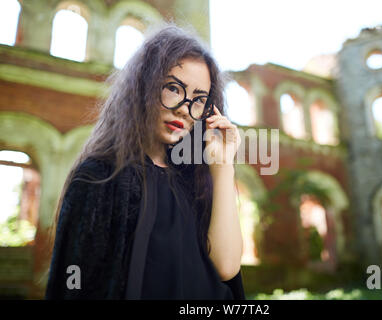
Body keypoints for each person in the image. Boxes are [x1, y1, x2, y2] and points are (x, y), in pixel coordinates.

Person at [45, 23, 245, 300]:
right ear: (144, 86)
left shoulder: (195, 180)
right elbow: (72, 281)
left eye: (199, 100)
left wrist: (223, 168)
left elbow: (226, 267)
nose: (185, 109)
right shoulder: (99, 175)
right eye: (174, 88)